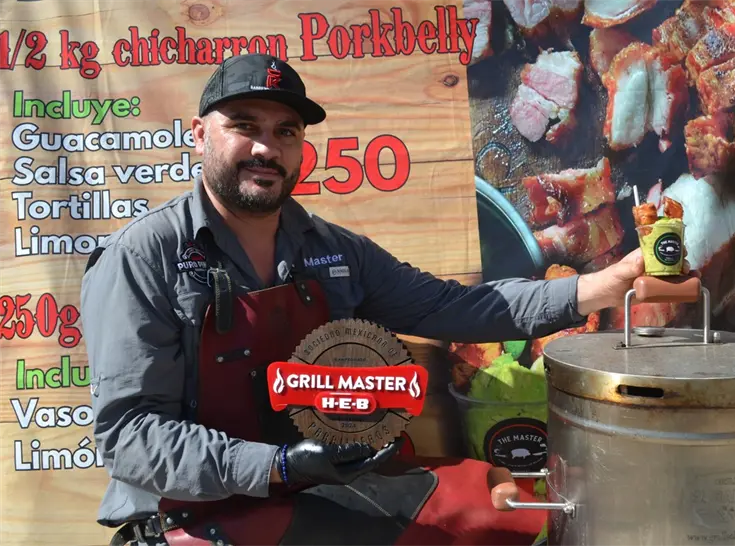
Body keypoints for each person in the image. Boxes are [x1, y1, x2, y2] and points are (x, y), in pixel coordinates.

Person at [80, 53, 689, 546]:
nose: (267, 148)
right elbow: (131, 435)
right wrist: (279, 466)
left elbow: (456, 308)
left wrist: (597, 287)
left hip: (325, 485)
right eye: (245, 125)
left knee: (507, 517)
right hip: (199, 513)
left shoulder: (333, 250)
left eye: (285, 131)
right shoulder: (145, 257)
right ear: (200, 135)